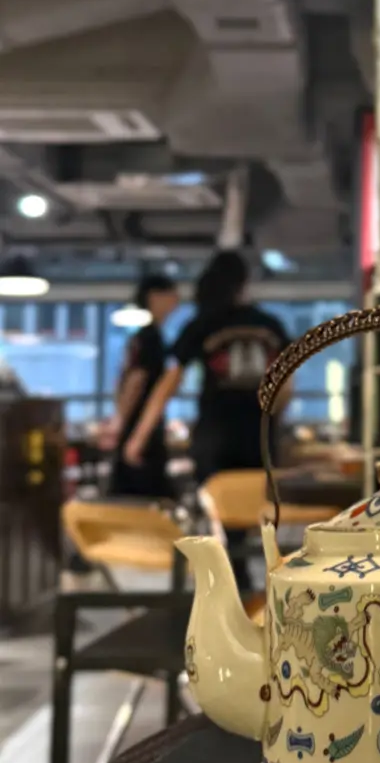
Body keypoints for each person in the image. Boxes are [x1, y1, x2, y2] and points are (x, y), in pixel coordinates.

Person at [124, 251, 289, 586]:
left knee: (220, 513)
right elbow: (286, 387)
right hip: (259, 436)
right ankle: (250, 580)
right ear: (244, 282)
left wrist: (138, 436)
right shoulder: (270, 325)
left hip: (216, 433)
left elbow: (168, 383)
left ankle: (230, 579)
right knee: (254, 510)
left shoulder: (203, 324)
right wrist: (272, 421)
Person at [105, 273, 180, 499]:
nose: (176, 300)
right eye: (171, 294)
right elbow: (135, 381)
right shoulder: (149, 337)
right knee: (141, 498)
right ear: (154, 297)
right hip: (139, 430)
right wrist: (120, 422)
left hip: (140, 429)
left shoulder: (146, 336)